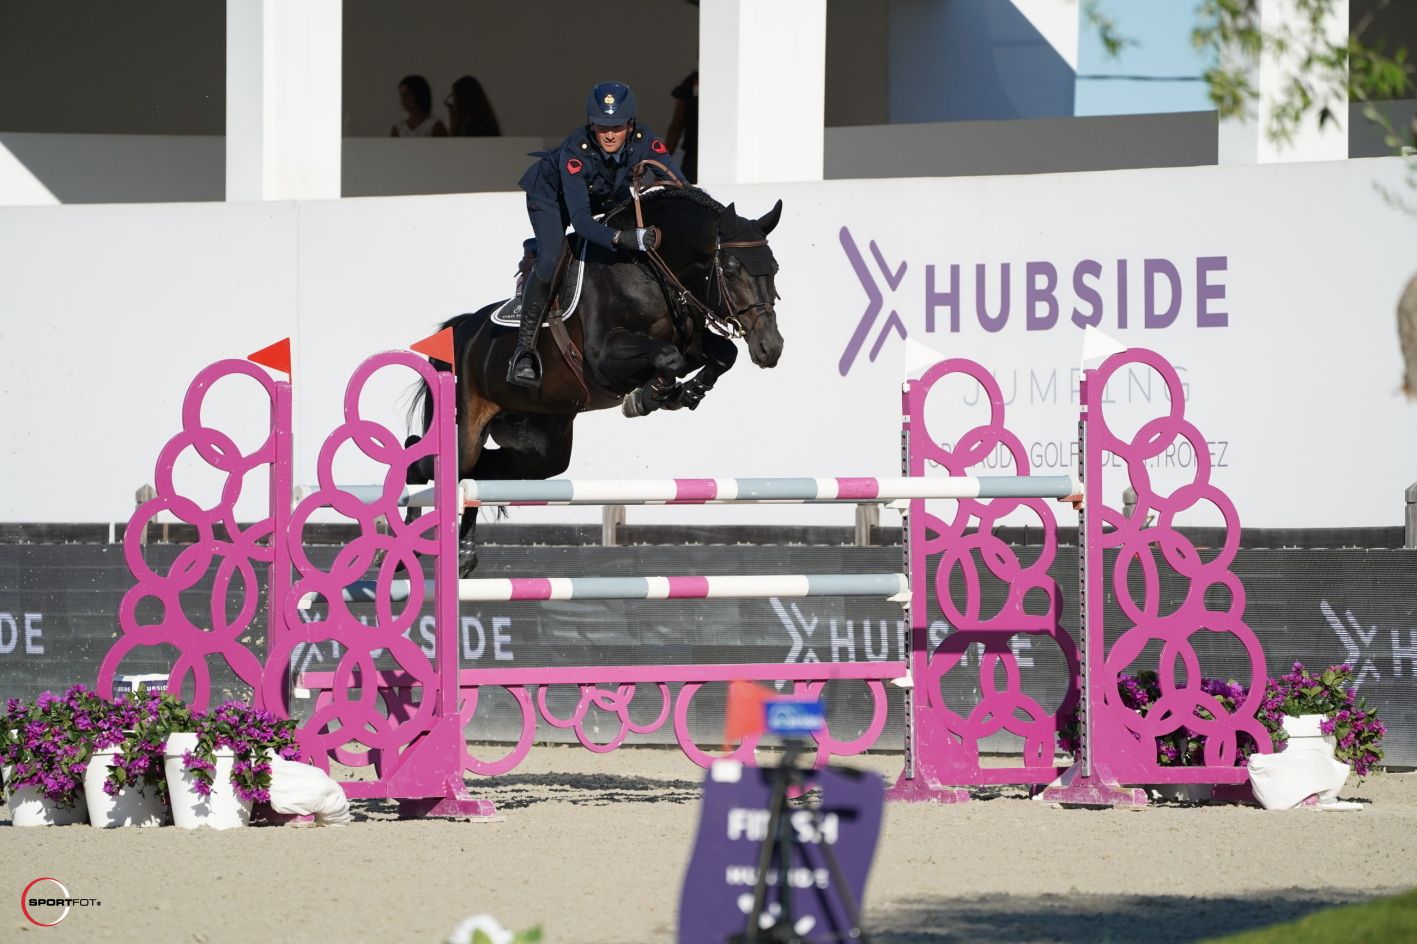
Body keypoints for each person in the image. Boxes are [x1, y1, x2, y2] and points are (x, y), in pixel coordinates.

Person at [507, 81, 686, 388]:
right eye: (602, 127)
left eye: (617, 127)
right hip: (551, 198)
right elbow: (582, 223)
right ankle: (523, 351)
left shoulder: (645, 141)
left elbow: (679, 187)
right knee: (552, 257)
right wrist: (622, 238)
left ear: (631, 125)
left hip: (604, 193)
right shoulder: (575, 151)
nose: (609, 135)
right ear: (592, 124)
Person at [666, 70, 698, 183]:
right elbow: (676, 126)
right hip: (693, 158)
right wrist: (663, 165)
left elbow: (676, 126)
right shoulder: (691, 83)